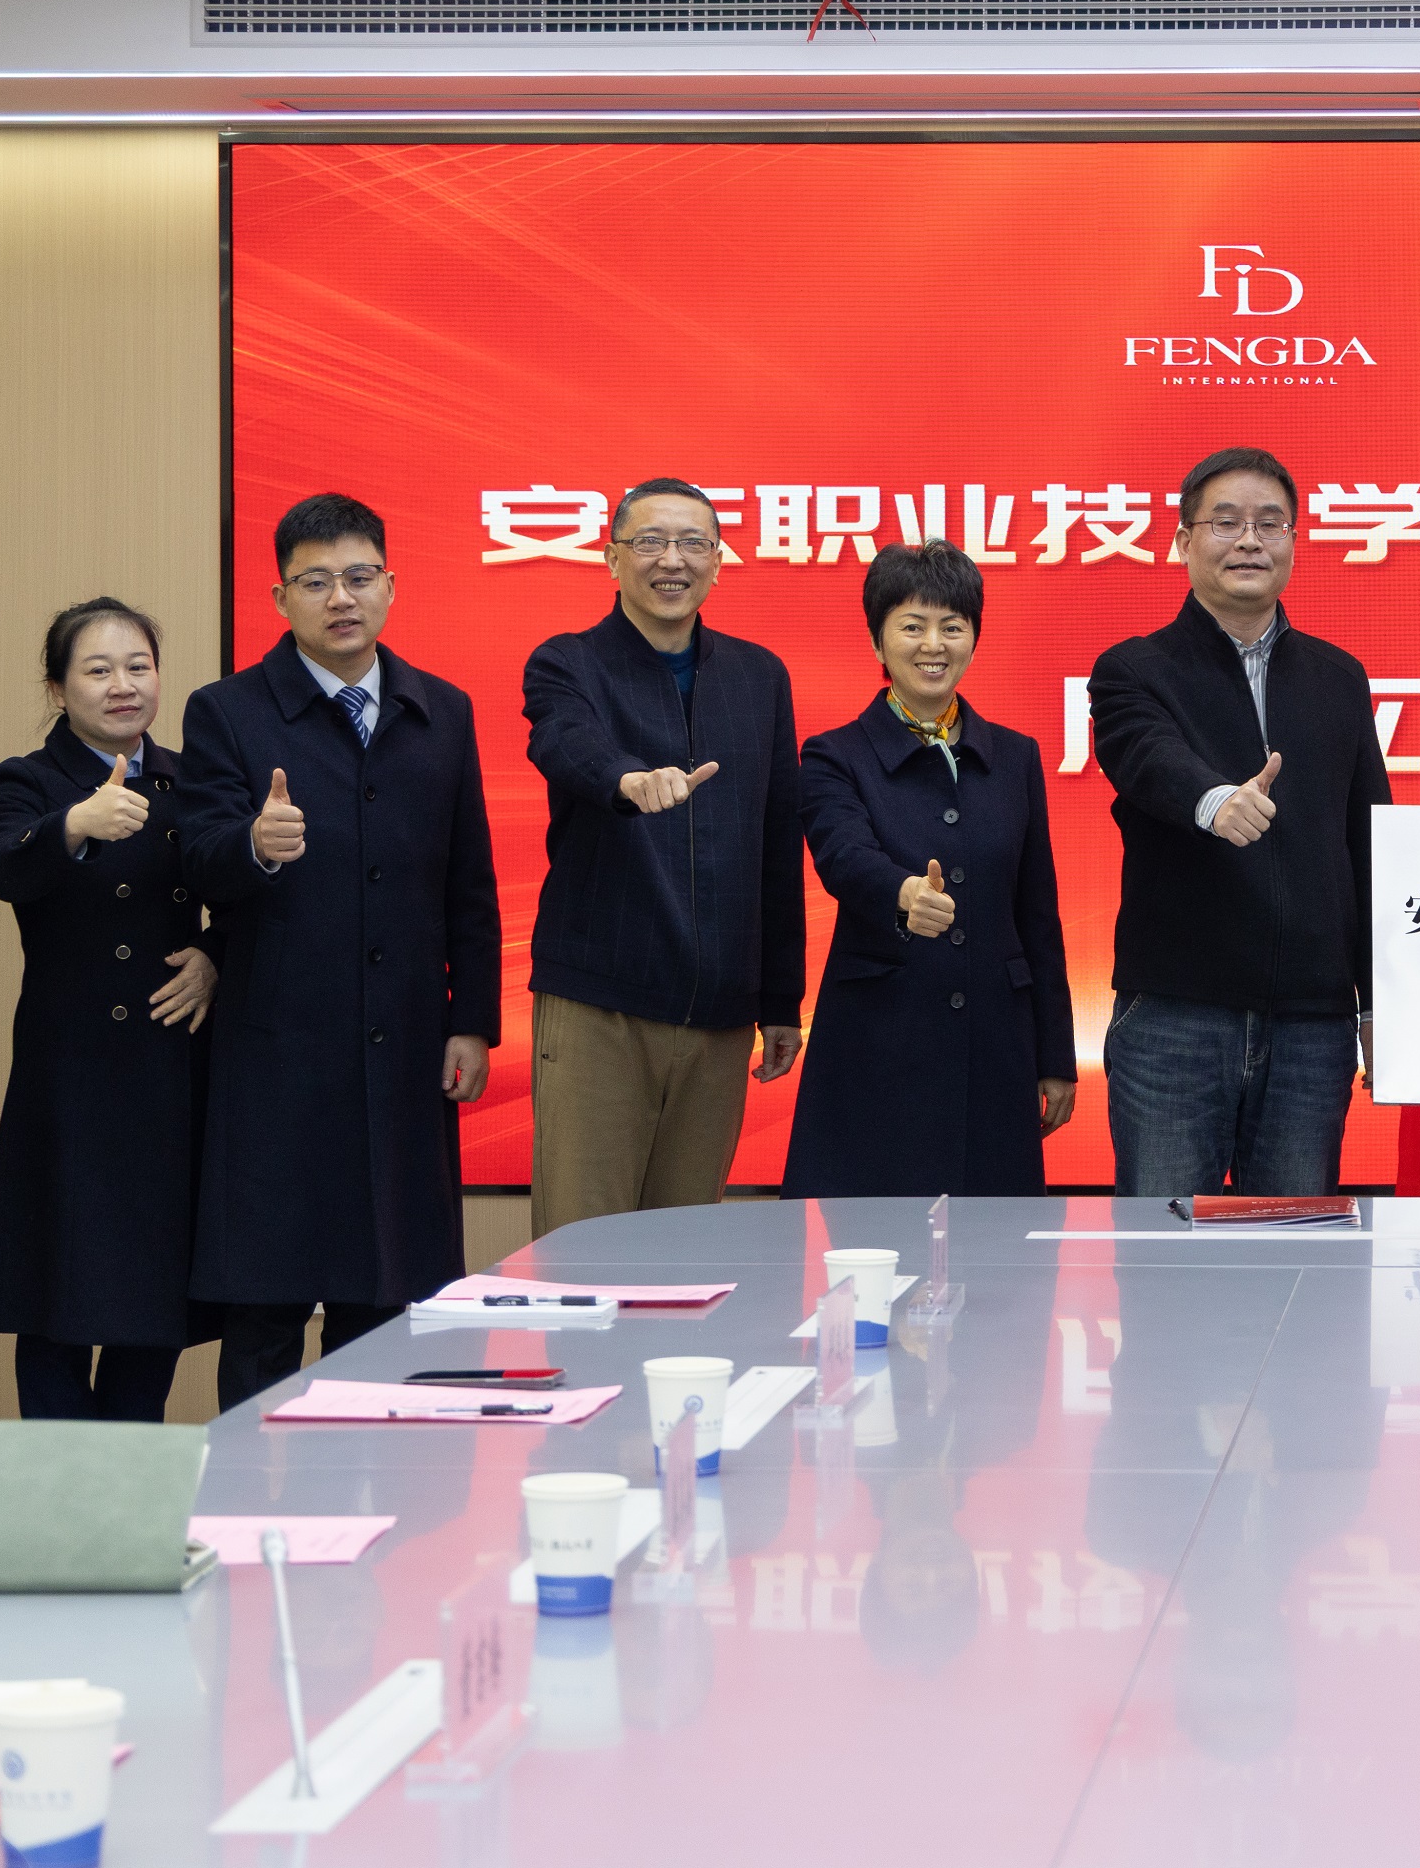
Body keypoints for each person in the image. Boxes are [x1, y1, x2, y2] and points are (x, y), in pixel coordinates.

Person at [179, 493, 503, 1412]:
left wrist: (472, 1020)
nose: (341, 598)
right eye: (315, 581)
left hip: (406, 1047)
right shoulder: (228, 711)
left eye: (359, 576)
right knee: (266, 1310)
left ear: (391, 585)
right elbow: (196, 853)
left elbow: (470, 883)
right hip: (278, 1053)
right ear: (280, 597)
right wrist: (252, 843)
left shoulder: (443, 710)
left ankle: (378, 1483)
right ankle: (249, 1488)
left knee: (388, 1304)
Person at [1088, 446, 1391, 1198]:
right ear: (1182, 541)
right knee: (1163, 1248)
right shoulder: (1133, 669)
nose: (1249, 540)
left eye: (1269, 523)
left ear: (1294, 540)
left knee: (1294, 1251)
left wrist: (1380, 1003)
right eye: (1224, 522)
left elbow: (1370, 846)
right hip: (1175, 1017)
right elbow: (1146, 756)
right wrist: (1214, 800)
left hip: (1311, 1028)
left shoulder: (1339, 678)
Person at [520, 477, 808, 1237]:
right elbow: (562, 740)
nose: (671, 560)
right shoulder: (567, 663)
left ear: (718, 560)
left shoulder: (759, 676)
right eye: (649, 541)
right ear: (612, 558)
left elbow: (777, 844)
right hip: (600, 1005)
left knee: (684, 1252)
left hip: (720, 1016)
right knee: (584, 1248)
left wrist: (781, 1000)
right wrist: (626, 779)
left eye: (693, 543)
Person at [0, 597, 216, 1420]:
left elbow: (243, 892)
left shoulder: (190, 777)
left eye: (138, 666)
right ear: (58, 686)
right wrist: (76, 823)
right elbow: (2, 868)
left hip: (168, 1062)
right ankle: (59, 1477)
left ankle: (129, 1463)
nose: (123, 685)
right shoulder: (26, 780)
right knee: (58, 1291)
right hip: (70, 1069)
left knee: (154, 1294)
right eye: (99, 669)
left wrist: (215, 955)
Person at [787, 542, 1075, 1194]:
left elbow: (1037, 913)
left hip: (996, 1045)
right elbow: (842, 853)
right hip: (878, 1043)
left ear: (974, 637)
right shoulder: (834, 754)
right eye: (912, 626)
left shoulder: (1016, 757)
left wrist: (1055, 1054)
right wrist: (903, 892)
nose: (933, 645)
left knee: (996, 1245)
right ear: (878, 640)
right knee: (870, 1244)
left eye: (953, 626)